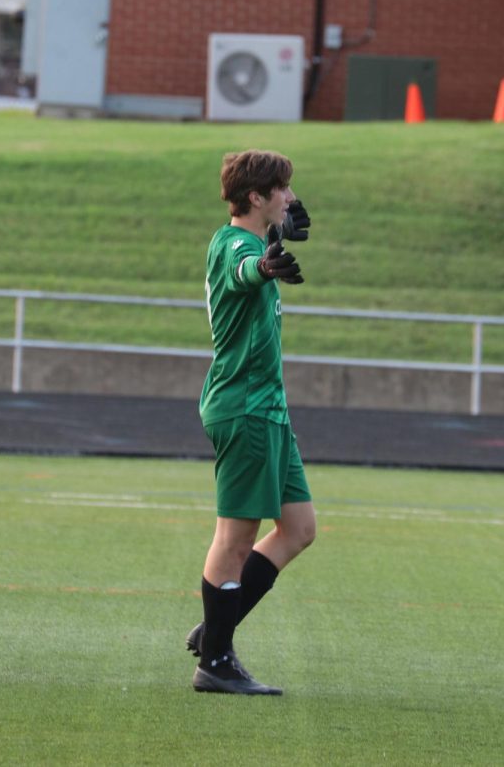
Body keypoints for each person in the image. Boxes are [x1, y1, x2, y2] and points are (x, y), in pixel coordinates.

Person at [187, 149, 316, 695]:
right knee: (235, 536)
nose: (289, 196)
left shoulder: (257, 236)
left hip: (268, 407)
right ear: (256, 197)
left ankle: (218, 627)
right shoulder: (234, 243)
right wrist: (264, 265)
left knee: (299, 528)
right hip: (243, 405)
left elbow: (261, 256)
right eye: (281, 189)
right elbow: (242, 272)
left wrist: (281, 238)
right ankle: (214, 662)